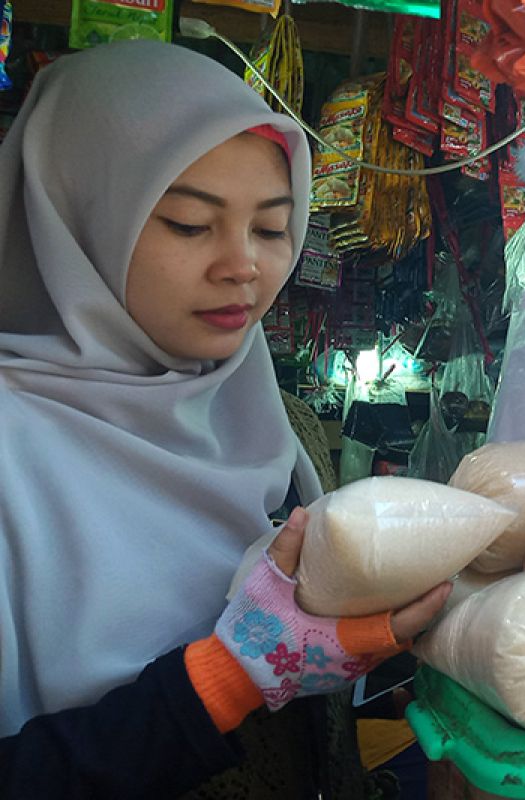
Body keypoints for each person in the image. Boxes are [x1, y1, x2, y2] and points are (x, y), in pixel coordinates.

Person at [0, 41, 451, 798]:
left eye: (272, 229)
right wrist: (228, 677)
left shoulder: (286, 427)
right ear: (68, 220)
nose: (242, 265)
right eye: (186, 223)